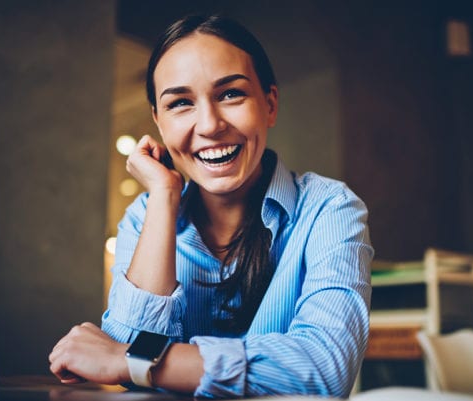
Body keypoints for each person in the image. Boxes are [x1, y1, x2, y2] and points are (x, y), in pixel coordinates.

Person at [49, 14, 373, 398]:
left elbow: (325, 367)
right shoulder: (145, 216)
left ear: (269, 104)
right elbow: (126, 351)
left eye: (231, 94)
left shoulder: (330, 210)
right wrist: (164, 197)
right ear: (158, 120)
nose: (209, 125)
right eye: (181, 103)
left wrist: (138, 362)